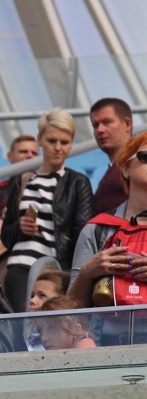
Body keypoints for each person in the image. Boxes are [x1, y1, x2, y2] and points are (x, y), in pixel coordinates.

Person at [1, 109, 93, 313]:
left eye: (65, 142)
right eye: (52, 141)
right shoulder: (22, 180)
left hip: (55, 272)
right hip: (20, 268)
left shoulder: (77, 182)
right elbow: (5, 237)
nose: (58, 148)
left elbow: (82, 233)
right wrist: (20, 227)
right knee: (20, 330)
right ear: (39, 140)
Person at [69, 132, 147, 308]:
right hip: (107, 334)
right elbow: (70, 311)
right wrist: (87, 273)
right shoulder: (98, 229)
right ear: (125, 169)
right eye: (146, 157)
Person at [0, 135, 39, 225]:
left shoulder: (48, 186)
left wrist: (2, 215)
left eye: (34, 153)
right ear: (10, 156)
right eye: (23, 152)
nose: (29, 155)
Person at [90, 97, 133, 214]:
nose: (100, 130)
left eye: (107, 122)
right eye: (95, 125)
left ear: (127, 124)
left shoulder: (139, 162)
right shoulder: (113, 170)